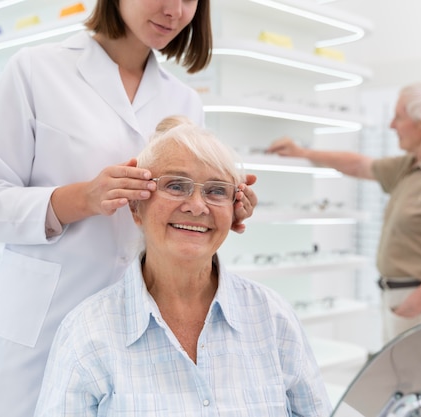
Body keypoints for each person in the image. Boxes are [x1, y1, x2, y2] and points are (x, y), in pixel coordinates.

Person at [0, 2, 257, 416]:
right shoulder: (36, 71)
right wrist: (81, 198)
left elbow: (174, 217)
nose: (175, 10)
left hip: (134, 331)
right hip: (38, 328)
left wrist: (215, 206)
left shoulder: (184, 101)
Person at [34, 116, 332, 417]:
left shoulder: (273, 317)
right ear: (136, 207)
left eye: (216, 191)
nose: (197, 206)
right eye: (176, 186)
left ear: (235, 210)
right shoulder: (88, 332)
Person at [267, 83, 421, 343]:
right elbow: (359, 165)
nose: (392, 125)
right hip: (401, 301)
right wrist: (303, 153)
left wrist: (413, 305)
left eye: (399, 117)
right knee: (403, 382)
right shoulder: (409, 166)